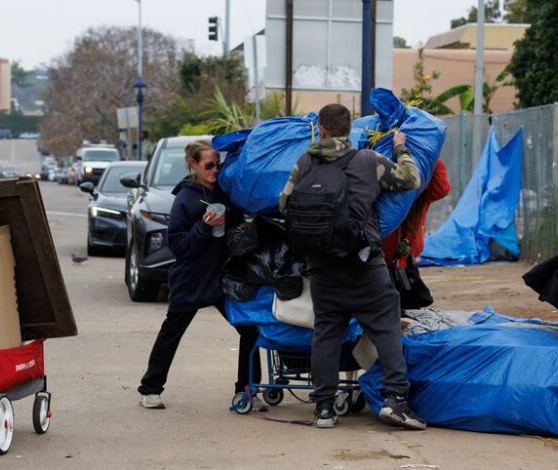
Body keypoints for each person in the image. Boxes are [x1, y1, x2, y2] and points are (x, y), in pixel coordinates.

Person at [279, 104, 427, 430]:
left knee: (326, 335)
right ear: (349, 129)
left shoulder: (304, 163)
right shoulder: (367, 161)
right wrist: (401, 147)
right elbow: (411, 179)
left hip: (321, 269)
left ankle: (324, 409)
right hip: (364, 267)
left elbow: (283, 203)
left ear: (322, 128)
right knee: (386, 329)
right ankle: (396, 400)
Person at [138, 140, 264, 410]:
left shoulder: (223, 192)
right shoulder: (185, 198)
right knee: (171, 333)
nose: (215, 170)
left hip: (222, 278)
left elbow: (236, 221)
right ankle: (150, 389)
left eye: (218, 165)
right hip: (192, 278)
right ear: (193, 165)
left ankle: (247, 390)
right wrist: (204, 228)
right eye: (209, 165)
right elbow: (179, 246)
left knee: (250, 329)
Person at [382, 159, 451, 268]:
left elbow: (441, 189)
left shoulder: (421, 194)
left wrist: (432, 157)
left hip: (407, 253)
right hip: (384, 253)